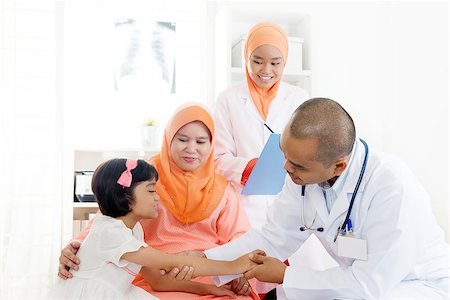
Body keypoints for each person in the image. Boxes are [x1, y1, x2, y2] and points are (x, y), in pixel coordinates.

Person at [204, 98, 449, 299]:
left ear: (338, 166)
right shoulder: (302, 176)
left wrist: (286, 275)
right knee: (279, 296)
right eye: (285, 155)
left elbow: (368, 286)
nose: (286, 168)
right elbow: (274, 236)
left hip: (413, 285)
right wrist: (207, 259)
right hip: (352, 279)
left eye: (297, 165)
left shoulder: (393, 189)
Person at [58, 104, 260, 299]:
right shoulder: (142, 177)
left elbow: (240, 238)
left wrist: (235, 273)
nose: (191, 149)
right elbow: (109, 218)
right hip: (153, 270)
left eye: (200, 142)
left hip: (211, 273)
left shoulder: (222, 187)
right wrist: (76, 247)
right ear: (169, 138)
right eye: (182, 139)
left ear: (211, 144)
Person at [49, 158, 258, 299]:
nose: (157, 197)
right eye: (150, 190)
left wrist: (211, 289)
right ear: (125, 197)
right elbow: (171, 263)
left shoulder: (135, 230)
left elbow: (158, 281)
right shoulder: (110, 232)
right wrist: (235, 266)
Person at [214, 22, 309, 230]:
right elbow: (218, 159)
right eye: (257, 61)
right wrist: (249, 168)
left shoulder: (299, 98)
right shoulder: (228, 99)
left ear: (285, 62)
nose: (266, 70)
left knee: (297, 259)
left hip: (290, 197)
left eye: (275, 63)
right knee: (250, 256)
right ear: (246, 58)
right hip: (245, 203)